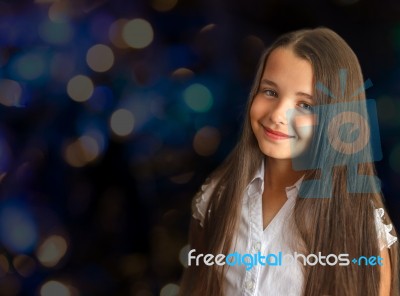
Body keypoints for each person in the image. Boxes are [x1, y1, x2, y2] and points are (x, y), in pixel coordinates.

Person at [179, 27, 399, 296]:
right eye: (270, 92)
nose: (278, 115)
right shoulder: (218, 196)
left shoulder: (360, 227)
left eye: (305, 105)